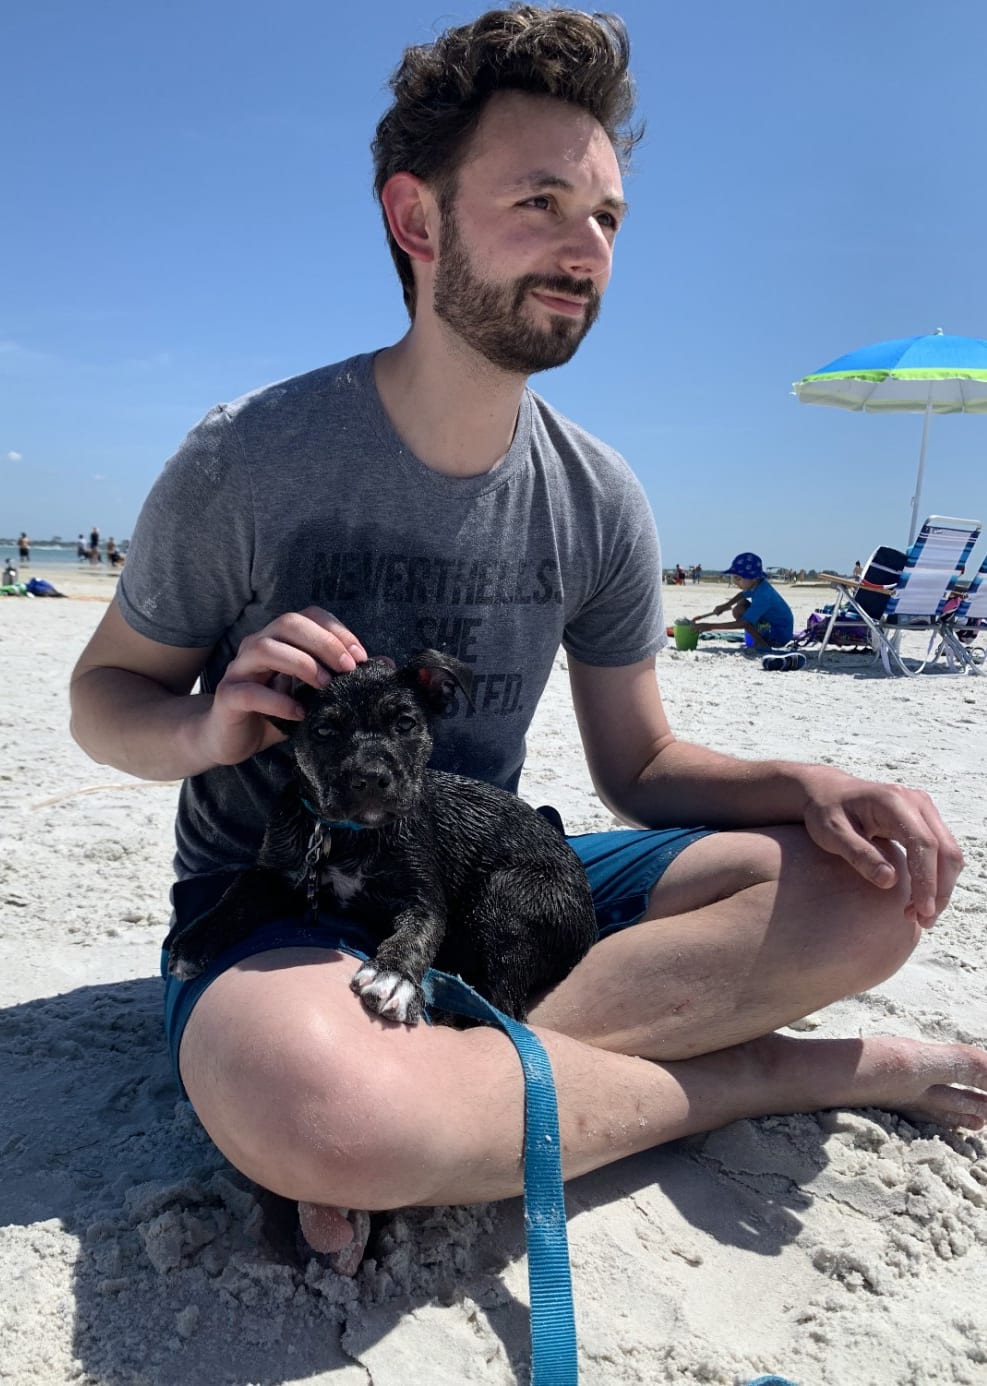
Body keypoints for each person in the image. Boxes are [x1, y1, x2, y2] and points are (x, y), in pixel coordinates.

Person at [69, 7, 984, 1275]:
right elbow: (103, 698)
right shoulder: (252, 457)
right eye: (541, 202)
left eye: (606, 215)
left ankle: (451, 1096)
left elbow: (640, 767)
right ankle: (774, 1073)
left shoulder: (598, 495)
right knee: (316, 1107)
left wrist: (812, 784)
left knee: (867, 888)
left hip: (480, 874)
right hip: (280, 899)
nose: (586, 245)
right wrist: (208, 723)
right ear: (417, 219)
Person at [690, 552, 795, 651]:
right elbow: (742, 594)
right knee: (740, 605)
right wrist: (726, 605)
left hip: (779, 635)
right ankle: (758, 639)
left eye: (738, 578)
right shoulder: (757, 585)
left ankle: (762, 644)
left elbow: (744, 623)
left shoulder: (763, 595)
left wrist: (710, 626)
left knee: (742, 615)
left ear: (754, 578)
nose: (736, 582)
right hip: (771, 623)